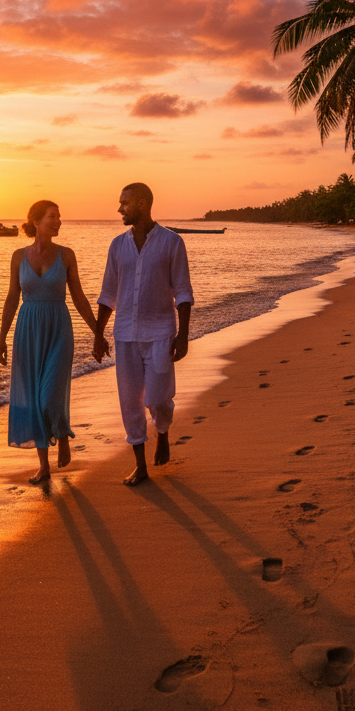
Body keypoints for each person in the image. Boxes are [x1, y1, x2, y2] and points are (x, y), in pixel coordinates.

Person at [93, 183, 193, 486]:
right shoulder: (117, 246)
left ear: (141, 203)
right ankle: (140, 465)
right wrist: (98, 334)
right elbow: (108, 294)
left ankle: (162, 431)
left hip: (161, 332)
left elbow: (184, 291)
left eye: (124, 203)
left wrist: (183, 335)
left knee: (159, 398)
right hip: (125, 334)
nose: (120, 209)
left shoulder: (172, 243)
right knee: (129, 401)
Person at [0, 200, 100, 484]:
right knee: (32, 398)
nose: (58, 221)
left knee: (49, 395)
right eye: (52, 217)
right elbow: (11, 298)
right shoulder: (18, 256)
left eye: (59, 217)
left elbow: (78, 296)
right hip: (27, 330)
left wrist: (97, 331)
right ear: (36, 221)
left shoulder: (66, 255)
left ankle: (63, 431)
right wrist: (2, 338)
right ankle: (44, 466)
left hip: (58, 329)